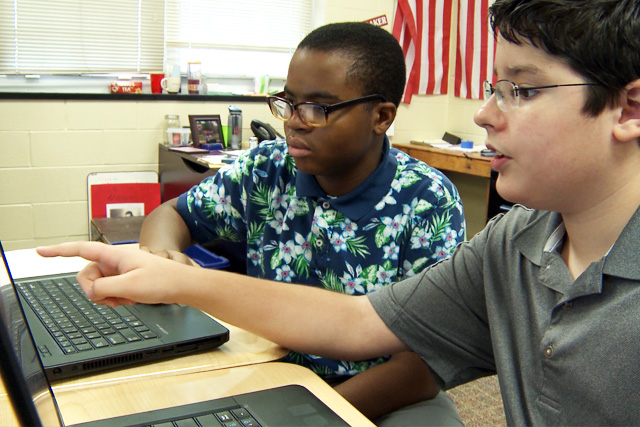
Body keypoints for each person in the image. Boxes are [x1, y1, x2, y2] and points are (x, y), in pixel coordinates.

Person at [38, 0, 640, 424]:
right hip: (279, 367)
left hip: (375, 392)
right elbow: (357, 321)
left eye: (523, 90)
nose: (483, 114)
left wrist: (324, 410)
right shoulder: (516, 240)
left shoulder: (428, 199)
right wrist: (176, 275)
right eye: (493, 86)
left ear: (628, 109)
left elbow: (415, 362)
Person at [136, 22, 465, 424]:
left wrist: (305, 417)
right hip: (270, 368)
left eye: (317, 108)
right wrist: (163, 260)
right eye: (288, 103)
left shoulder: (427, 199)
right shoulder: (268, 168)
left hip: (385, 392)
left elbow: (421, 365)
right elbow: (171, 215)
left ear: (381, 117)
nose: (293, 121)